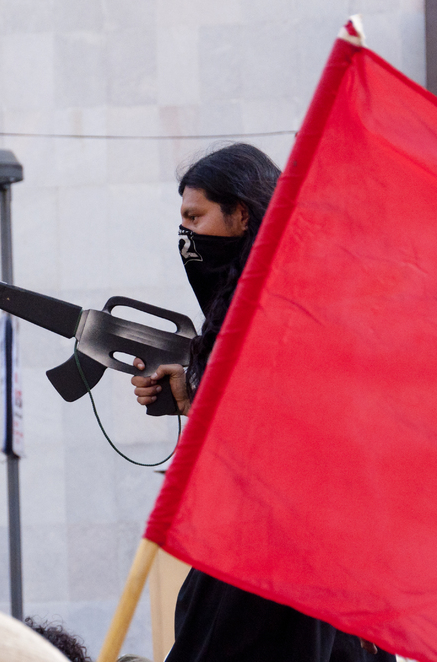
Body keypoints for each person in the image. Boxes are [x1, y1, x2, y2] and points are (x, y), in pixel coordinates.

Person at [131, 143, 395, 662]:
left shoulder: (284, 298)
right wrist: (191, 397)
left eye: (195, 217)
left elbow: (289, 414)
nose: (186, 237)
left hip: (271, 543)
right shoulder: (269, 293)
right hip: (279, 548)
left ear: (241, 215)